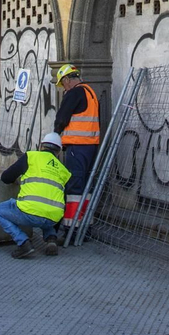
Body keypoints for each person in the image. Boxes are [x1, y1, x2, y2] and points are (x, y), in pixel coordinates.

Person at [0, 132, 69, 258]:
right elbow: (62, 201)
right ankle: (51, 238)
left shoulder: (31, 157)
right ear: (59, 152)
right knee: (47, 209)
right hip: (53, 217)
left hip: (29, 213)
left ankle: (23, 243)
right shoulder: (64, 170)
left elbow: (5, 177)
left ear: (41, 146)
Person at [51, 64, 99, 238]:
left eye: (62, 84)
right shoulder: (90, 93)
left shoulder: (73, 93)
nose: (63, 88)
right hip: (90, 146)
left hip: (76, 147)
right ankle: (86, 226)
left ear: (66, 80)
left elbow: (62, 118)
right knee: (86, 186)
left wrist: (55, 135)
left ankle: (72, 228)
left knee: (73, 188)